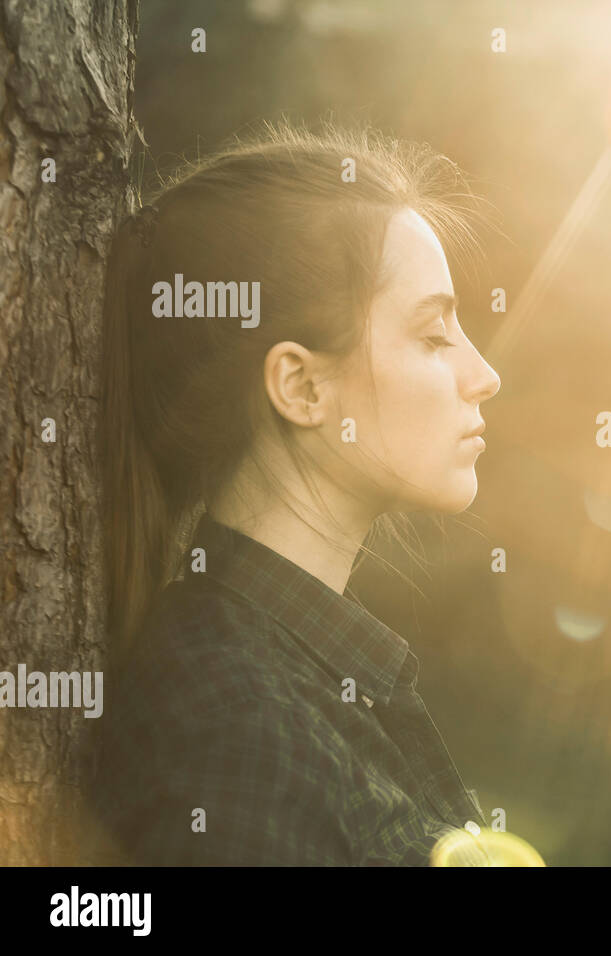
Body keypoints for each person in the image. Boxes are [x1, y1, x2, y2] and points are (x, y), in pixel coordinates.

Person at [88, 123, 502, 865]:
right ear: (301, 386)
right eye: (435, 335)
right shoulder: (234, 730)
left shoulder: (308, 683)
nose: (483, 374)